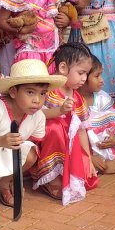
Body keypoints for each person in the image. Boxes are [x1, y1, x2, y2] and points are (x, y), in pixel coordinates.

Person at [0, 58, 64, 208]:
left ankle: (4, 182)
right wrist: (0, 141)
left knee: (31, 152)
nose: (37, 100)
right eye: (30, 92)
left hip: (6, 153)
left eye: (43, 93)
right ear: (13, 92)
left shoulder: (37, 116)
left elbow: (28, 144)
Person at [32, 42, 98, 204]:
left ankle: (65, 173)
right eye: (81, 73)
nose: (84, 78)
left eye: (86, 73)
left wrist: (88, 158)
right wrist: (59, 112)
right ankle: (49, 178)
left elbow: (81, 130)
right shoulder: (47, 92)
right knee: (54, 127)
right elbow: (35, 115)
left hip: (68, 146)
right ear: (62, 68)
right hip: (44, 141)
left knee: (85, 173)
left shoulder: (77, 97)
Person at [78, 54, 115, 174]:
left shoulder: (102, 97)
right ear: (83, 78)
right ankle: (98, 164)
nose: (102, 80)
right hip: (82, 149)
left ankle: (102, 161)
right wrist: (90, 157)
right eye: (97, 76)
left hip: (104, 146)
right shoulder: (73, 101)